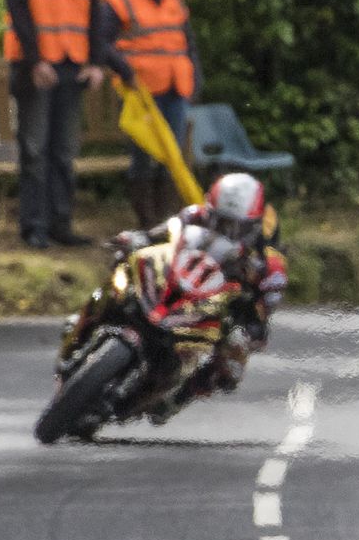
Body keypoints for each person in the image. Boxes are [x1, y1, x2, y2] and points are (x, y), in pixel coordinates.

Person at [111, 172, 287, 420]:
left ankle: (181, 396)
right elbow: (159, 234)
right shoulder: (194, 215)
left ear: (254, 226)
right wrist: (138, 238)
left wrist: (248, 329)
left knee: (231, 365)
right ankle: (96, 315)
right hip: (177, 279)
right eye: (221, 222)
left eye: (238, 228)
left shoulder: (270, 266)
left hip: (215, 305)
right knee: (123, 263)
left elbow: (260, 321)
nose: (228, 231)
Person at [3, 0, 120, 248]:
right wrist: (34, 60)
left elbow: (94, 14)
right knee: (35, 149)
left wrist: (97, 62)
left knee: (64, 151)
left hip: (72, 64)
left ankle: (61, 222)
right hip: (35, 66)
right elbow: (18, 9)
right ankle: (34, 226)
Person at [101, 0, 202, 227]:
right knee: (143, 155)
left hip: (176, 88)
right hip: (141, 92)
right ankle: (146, 221)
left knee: (173, 154)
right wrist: (125, 71)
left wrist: (195, 81)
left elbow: (189, 45)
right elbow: (102, 42)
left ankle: (168, 218)